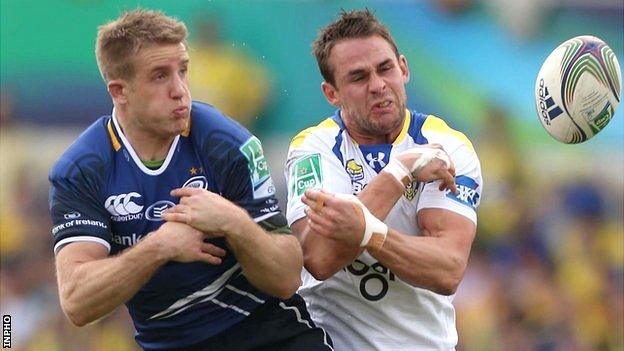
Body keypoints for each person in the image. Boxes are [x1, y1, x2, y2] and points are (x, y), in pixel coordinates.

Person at [48, 9, 332, 351]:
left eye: (183, 70)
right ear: (120, 91)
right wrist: (157, 247)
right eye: (159, 76)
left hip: (268, 331)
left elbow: (287, 277)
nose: (180, 90)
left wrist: (234, 222)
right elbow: (77, 303)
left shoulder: (227, 144)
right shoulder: (82, 170)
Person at [284, 9, 482, 350]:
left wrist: (365, 231)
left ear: (403, 68)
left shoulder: (449, 146)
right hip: (330, 342)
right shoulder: (313, 149)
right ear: (332, 93)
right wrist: (399, 172)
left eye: (385, 68)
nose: (378, 86)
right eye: (358, 78)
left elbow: (447, 269)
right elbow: (320, 257)